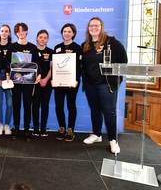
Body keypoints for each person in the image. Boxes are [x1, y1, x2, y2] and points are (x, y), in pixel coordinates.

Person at [81, 17, 127, 154]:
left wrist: (116, 79)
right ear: (88, 28)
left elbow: (123, 61)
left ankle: (113, 140)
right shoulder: (85, 45)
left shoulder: (112, 42)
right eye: (91, 26)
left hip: (106, 84)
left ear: (101, 27)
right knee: (95, 110)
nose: (93, 28)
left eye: (96, 25)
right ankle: (97, 134)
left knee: (109, 112)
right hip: (90, 84)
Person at [5, 22, 41, 142]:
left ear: (26, 31)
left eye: (23, 30)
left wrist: (39, 75)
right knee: (16, 105)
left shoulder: (32, 48)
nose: (21, 32)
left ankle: (26, 129)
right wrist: (7, 75)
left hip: (29, 82)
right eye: (18, 31)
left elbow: (38, 65)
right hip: (16, 81)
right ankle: (15, 128)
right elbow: (7, 64)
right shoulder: (12, 47)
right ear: (16, 33)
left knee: (27, 105)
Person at [53, 23, 82, 142]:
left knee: (71, 105)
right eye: (64, 31)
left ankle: (70, 129)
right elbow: (54, 66)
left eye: (69, 31)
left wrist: (76, 80)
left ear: (73, 33)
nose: (67, 33)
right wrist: (53, 79)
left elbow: (79, 66)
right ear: (62, 33)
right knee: (59, 105)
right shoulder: (57, 47)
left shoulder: (77, 47)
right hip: (59, 82)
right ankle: (62, 128)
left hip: (72, 82)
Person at [31, 30, 53, 137]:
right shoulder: (32, 51)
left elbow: (52, 68)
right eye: (40, 37)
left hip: (47, 83)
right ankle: (35, 128)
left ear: (47, 40)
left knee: (45, 105)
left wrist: (45, 79)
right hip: (34, 83)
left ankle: (43, 128)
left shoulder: (51, 52)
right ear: (36, 38)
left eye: (45, 38)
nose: (42, 39)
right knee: (35, 105)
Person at [0, 24, 13, 136]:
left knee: (10, 102)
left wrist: (9, 76)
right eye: (2, 31)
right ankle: (0, 124)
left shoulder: (12, 46)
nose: (4, 33)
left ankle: (7, 125)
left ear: (9, 33)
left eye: (6, 31)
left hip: (9, 77)